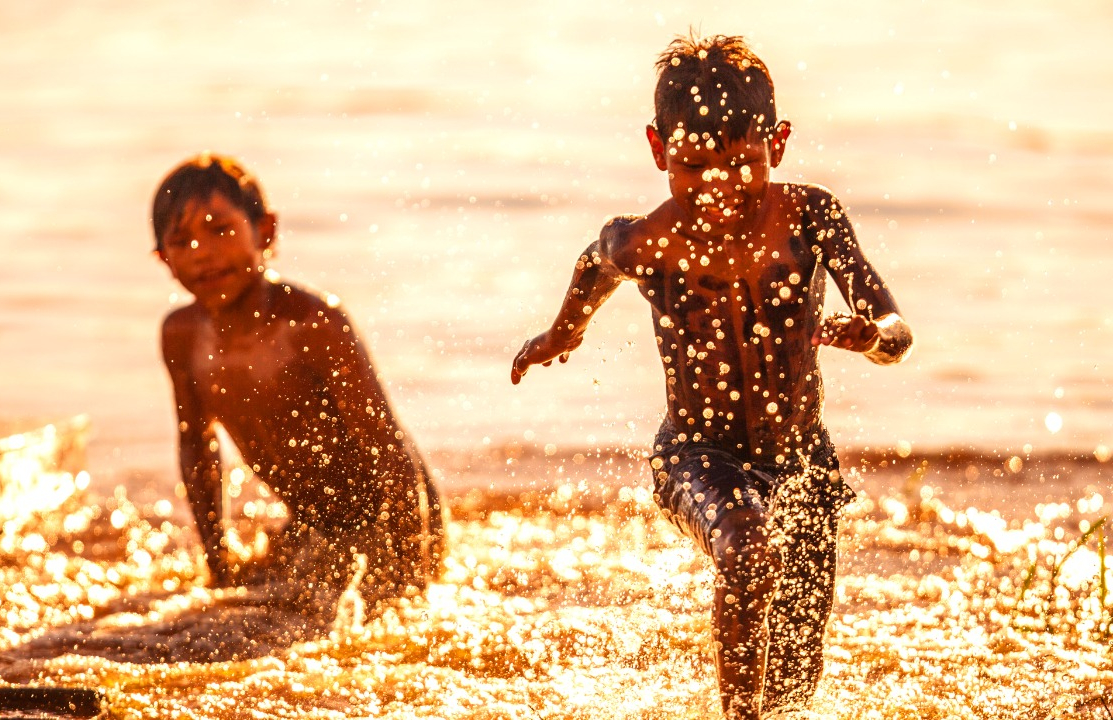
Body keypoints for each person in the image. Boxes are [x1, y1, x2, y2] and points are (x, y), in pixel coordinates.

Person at [510, 34, 912, 720]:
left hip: (803, 465)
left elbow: (897, 329)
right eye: (694, 166)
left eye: (739, 163)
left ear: (776, 144)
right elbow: (595, 263)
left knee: (792, 682)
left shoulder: (811, 218)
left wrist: (875, 338)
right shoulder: (648, 240)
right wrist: (560, 334)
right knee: (749, 549)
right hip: (695, 457)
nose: (718, 186)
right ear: (659, 149)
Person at [152, 152, 444, 606]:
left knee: (372, 615)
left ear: (265, 231)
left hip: (394, 512)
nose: (203, 253)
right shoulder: (181, 336)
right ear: (163, 260)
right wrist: (218, 566)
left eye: (220, 229)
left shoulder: (313, 323)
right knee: (252, 603)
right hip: (312, 521)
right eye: (182, 241)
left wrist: (412, 580)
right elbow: (197, 447)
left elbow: (389, 448)